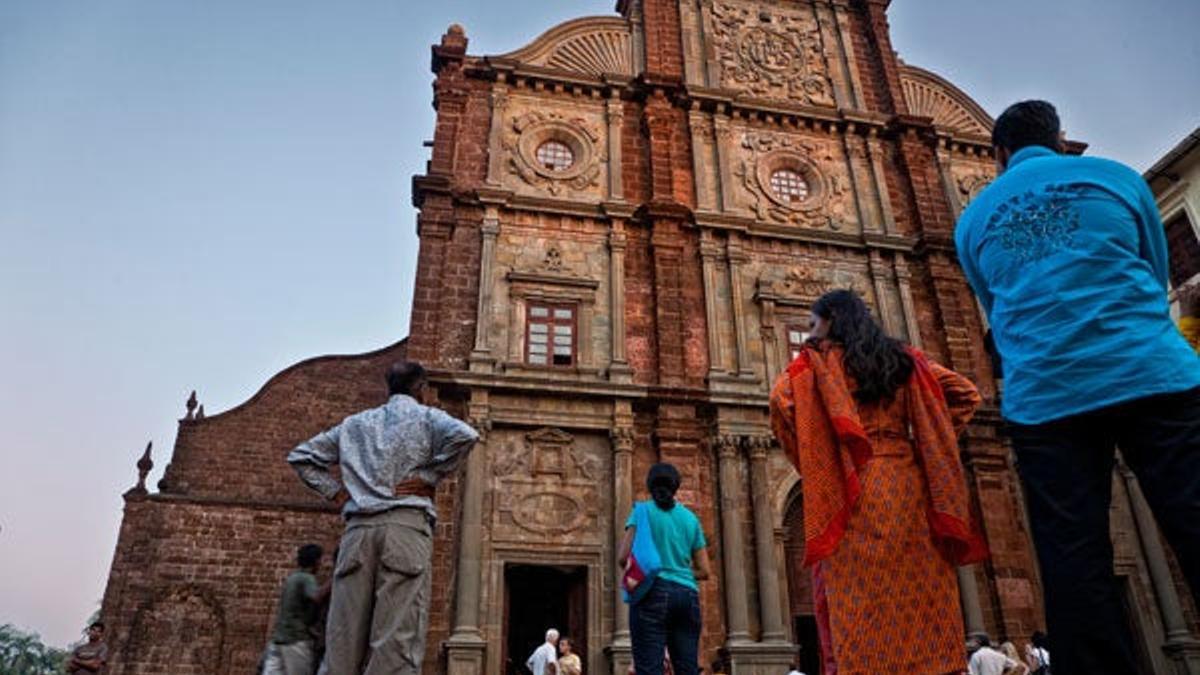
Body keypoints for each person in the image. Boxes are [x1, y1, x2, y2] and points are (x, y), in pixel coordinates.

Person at [955, 100, 1200, 674]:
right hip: (1151, 374)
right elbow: (1152, 269)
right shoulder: (1116, 178)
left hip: (1047, 398)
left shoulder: (974, 219)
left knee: (1071, 558)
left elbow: (996, 309)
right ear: (1060, 140)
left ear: (998, 155)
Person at [769, 290, 986, 675]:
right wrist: (927, 442)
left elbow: (781, 403)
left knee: (858, 602)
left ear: (831, 320)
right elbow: (966, 394)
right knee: (924, 596)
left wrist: (817, 457)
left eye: (813, 325)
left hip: (850, 491)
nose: (811, 335)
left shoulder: (816, 365)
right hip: (909, 489)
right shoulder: (905, 360)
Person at [288, 361, 479, 674]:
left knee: (342, 640)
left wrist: (337, 493)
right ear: (420, 389)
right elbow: (466, 435)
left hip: (358, 531)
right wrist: (430, 475)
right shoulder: (428, 417)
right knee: (395, 643)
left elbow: (301, 456)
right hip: (405, 526)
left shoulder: (355, 424)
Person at [618, 464, 712, 675]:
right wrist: (683, 573)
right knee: (687, 668)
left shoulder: (641, 511)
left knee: (650, 668)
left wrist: (644, 570)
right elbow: (705, 570)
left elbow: (623, 556)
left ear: (650, 485)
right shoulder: (691, 519)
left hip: (653, 593)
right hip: (688, 597)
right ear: (676, 486)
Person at [262, 544, 326, 675]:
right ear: (315, 561)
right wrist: (335, 579)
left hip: (278, 640)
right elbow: (316, 597)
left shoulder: (291, 578)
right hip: (296, 641)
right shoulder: (306, 578)